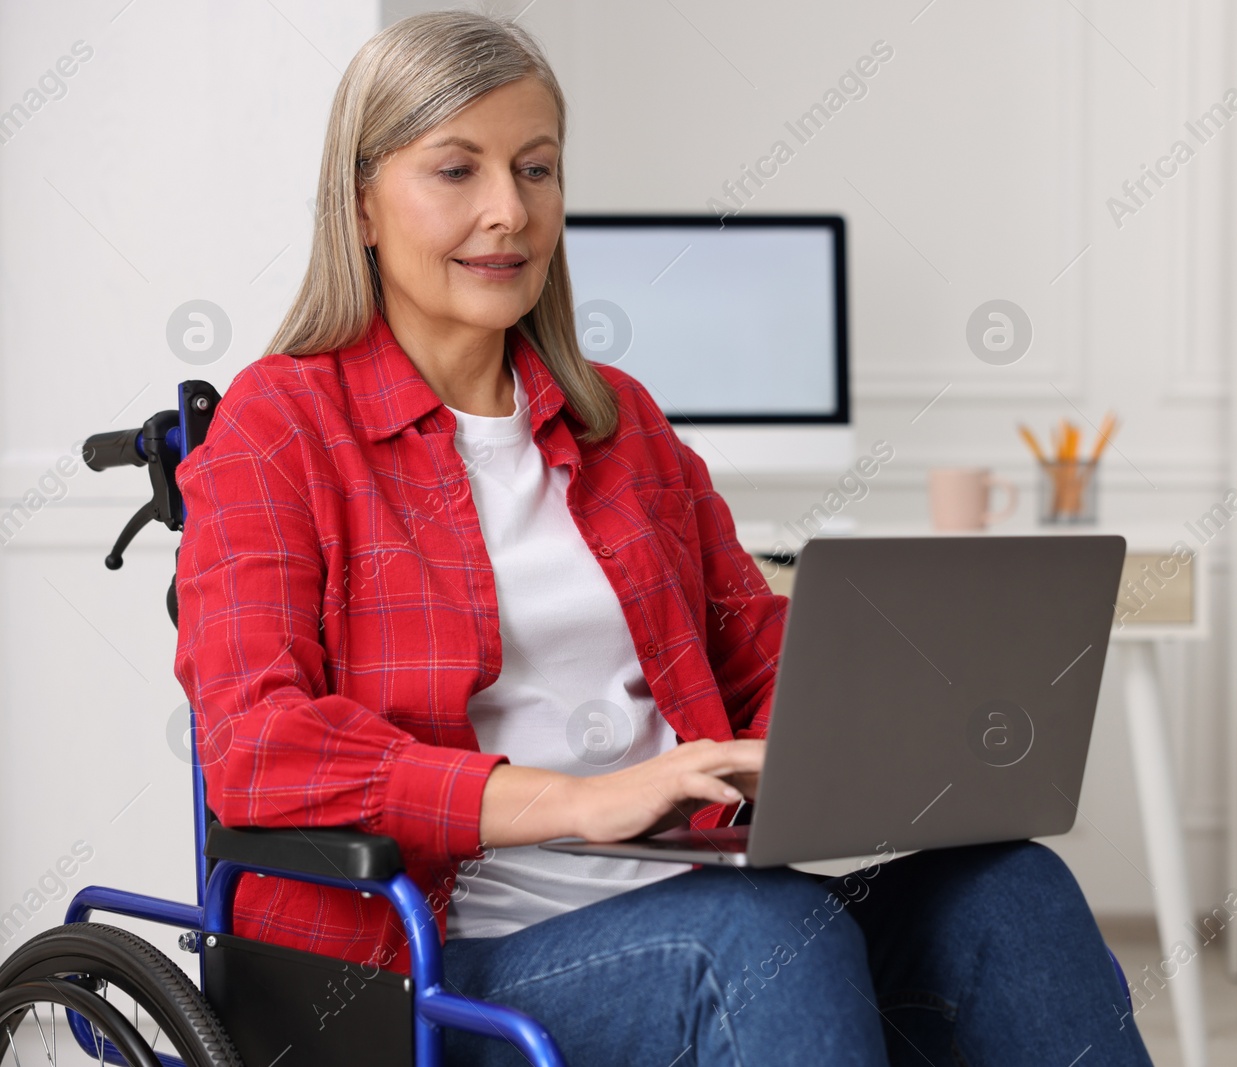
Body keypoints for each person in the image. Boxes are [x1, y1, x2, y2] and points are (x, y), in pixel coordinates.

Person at [174, 11, 1154, 1066]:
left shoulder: (617, 420)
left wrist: (823, 743)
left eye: (536, 168)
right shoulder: (279, 428)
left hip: (703, 900)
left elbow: (749, 643)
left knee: (1011, 889)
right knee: (769, 937)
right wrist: (578, 802)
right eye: (456, 170)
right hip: (440, 962)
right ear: (362, 201)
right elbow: (257, 744)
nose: (508, 211)